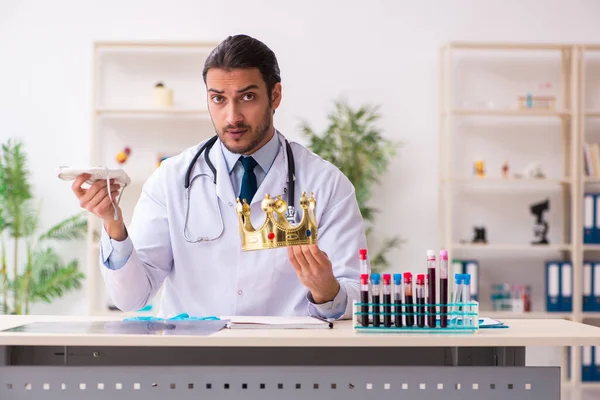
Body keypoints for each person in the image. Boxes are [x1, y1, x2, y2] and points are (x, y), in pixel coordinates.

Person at [71, 34, 367, 319]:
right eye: (218, 99)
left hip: (284, 360)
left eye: (247, 97)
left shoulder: (327, 184)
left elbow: (356, 298)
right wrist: (113, 224)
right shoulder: (171, 179)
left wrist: (328, 291)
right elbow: (131, 298)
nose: (232, 116)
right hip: (192, 360)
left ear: (275, 96)